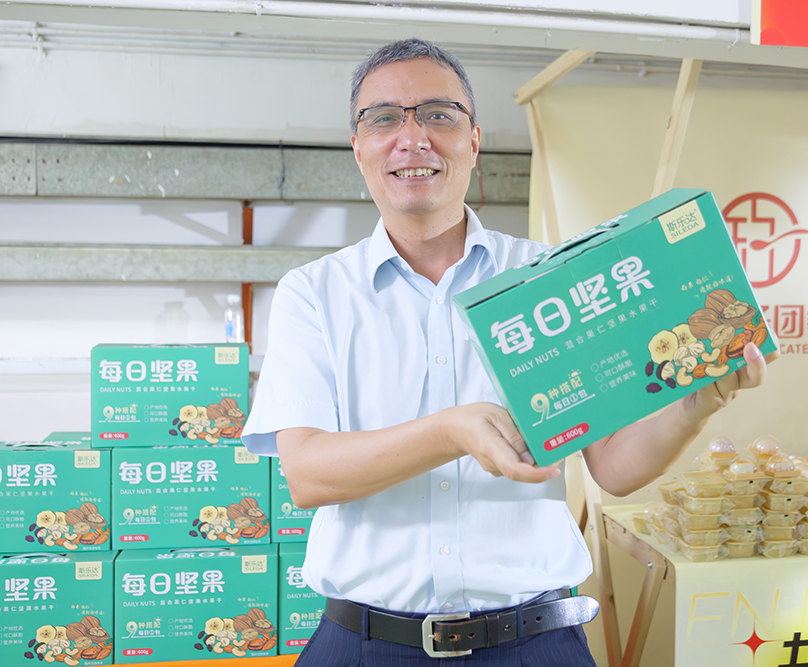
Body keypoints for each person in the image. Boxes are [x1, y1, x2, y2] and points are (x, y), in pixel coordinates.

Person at [242, 38, 767, 665]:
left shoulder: (550, 278)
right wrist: (451, 431)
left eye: (438, 115)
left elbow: (612, 467)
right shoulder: (314, 292)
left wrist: (691, 408)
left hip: (533, 641)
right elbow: (307, 474)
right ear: (358, 147)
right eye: (383, 118)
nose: (412, 138)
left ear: (474, 140)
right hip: (364, 644)